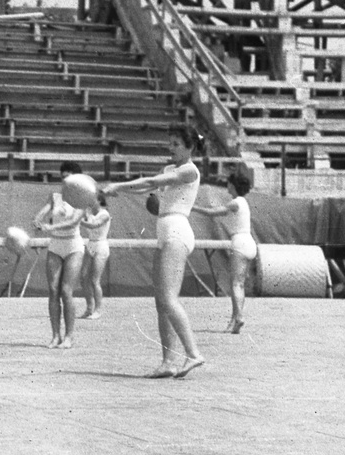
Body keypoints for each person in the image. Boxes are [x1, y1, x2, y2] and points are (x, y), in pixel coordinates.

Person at [101, 127, 205, 378]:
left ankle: (193, 354)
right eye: (170, 143)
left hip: (177, 232)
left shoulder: (189, 170)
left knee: (169, 298)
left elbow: (152, 182)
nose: (171, 148)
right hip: (165, 233)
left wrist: (120, 184)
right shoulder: (170, 170)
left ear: (190, 148)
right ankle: (168, 361)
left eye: (177, 144)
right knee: (161, 302)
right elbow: (148, 190)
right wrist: (121, 190)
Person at [199, 163, 257, 334]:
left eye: (229, 184)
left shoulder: (235, 202)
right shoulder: (244, 202)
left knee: (236, 284)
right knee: (240, 284)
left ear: (233, 185)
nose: (227, 187)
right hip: (249, 243)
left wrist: (192, 208)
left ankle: (239, 317)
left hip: (239, 243)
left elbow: (212, 213)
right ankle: (234, 320)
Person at [33, 163, 87, 348]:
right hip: (55, 246)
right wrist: (37, 219)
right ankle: (55, 336)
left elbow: (73, 222)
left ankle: (69, 336)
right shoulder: (55, 196)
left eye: (69, 177)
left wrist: (51, 227)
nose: (65, 180)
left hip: (73, 246)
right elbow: (44, 210)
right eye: (63, 176)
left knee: (66, 291)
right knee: (53, 290)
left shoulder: (83, 198)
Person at [78, 192, 112, 319]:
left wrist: (79, 220)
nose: (90, 203)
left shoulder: (105, 214)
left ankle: (98, 310)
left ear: (99, 201)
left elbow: (94, 225)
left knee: (94, 280)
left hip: (101, 246)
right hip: (90, 245)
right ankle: (89, 308)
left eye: (92, 200)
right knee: (83, 277)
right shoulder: (89, 214)